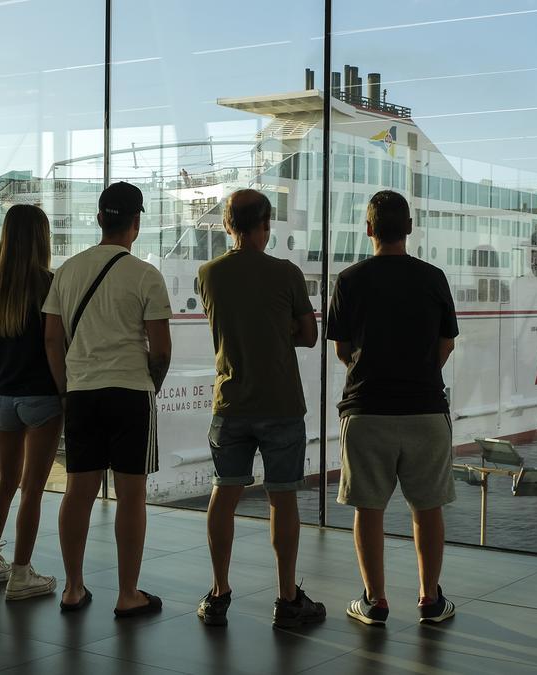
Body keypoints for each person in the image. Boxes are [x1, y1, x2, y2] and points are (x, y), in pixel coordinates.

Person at [327, 190, 459, 626]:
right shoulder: (434, 277)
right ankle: (430, 599)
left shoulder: (348, 280)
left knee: (369, 508)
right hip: (425, 408)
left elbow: (343, 349)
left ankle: (375, 600)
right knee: (427, 509)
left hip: (367, 410)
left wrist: (370, 368)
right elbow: (446, 343)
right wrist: (420, 369)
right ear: (409, 228)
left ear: (368, 229)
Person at [195, 189, 325, 628]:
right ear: (265, 225)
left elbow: (228, 324)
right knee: (282, 498)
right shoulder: (286, 273)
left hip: (230, 402)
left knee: (223, 493)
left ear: (229, 225)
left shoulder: (208, 274)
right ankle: (287, 598)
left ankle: (218, 594)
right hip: (281, 403)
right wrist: (278, 325)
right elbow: (308, 335)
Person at [43, 182, 171, 615]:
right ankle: (127, 594)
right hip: (131, 394)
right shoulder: (146, 275)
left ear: (99, 219)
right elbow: (162, 348)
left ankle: (73, 589)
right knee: (131, 496)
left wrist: (66, 388)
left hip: (81, 393)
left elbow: (52, 338)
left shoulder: (68, 271)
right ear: (137, 223)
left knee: (78, 492)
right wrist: (151, 383)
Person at [0, 204, 62, 600]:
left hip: (2, 396)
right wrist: (65, 391)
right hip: (41, 394)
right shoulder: (48, 283)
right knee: (33, 489)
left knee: (5, 482)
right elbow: (51, 341)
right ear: (41, 238)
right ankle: (22, 574)